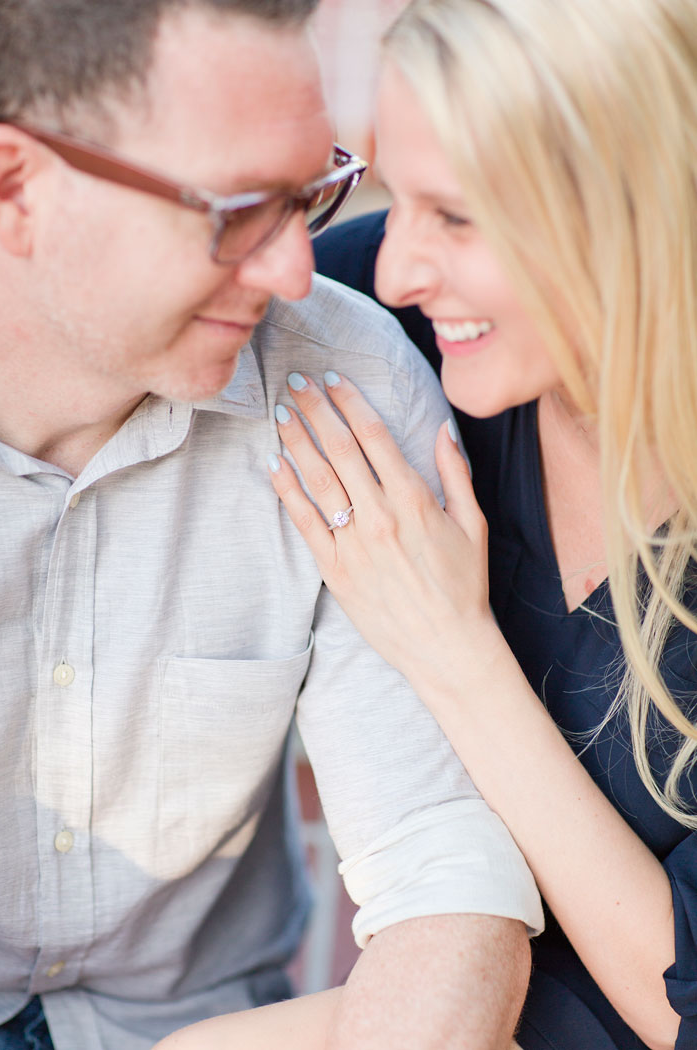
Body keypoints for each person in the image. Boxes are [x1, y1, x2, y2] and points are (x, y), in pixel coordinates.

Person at [0, 1, 546, 1049]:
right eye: (237, 210)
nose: (299, 271)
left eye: (311, 195)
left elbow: (441, 870)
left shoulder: (346, 382)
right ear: (17, 187)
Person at [155, 0, 697, 1047]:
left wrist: (452, 649)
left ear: (638, 209)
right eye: (398, 202)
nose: (395, 269)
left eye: (457, 217)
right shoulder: (386, 324)